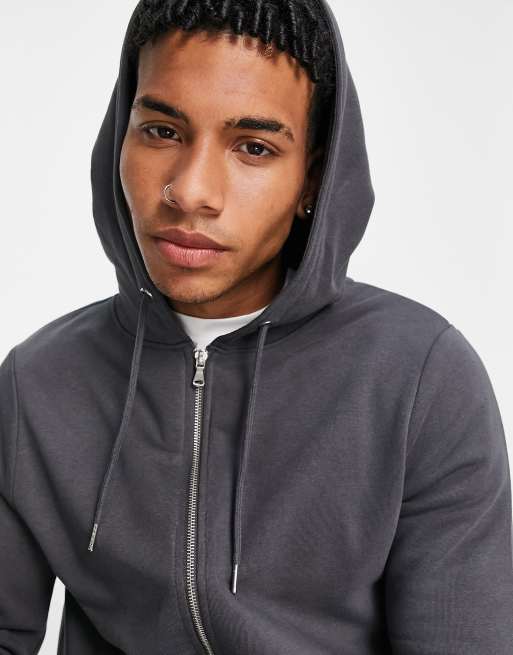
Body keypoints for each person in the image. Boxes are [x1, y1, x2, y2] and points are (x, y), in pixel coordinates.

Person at [1, 0, 512, 653]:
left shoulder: (417, 376)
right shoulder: (39, 381)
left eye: (253, 147)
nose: (191, 191)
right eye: (162, 131)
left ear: (312, 179)